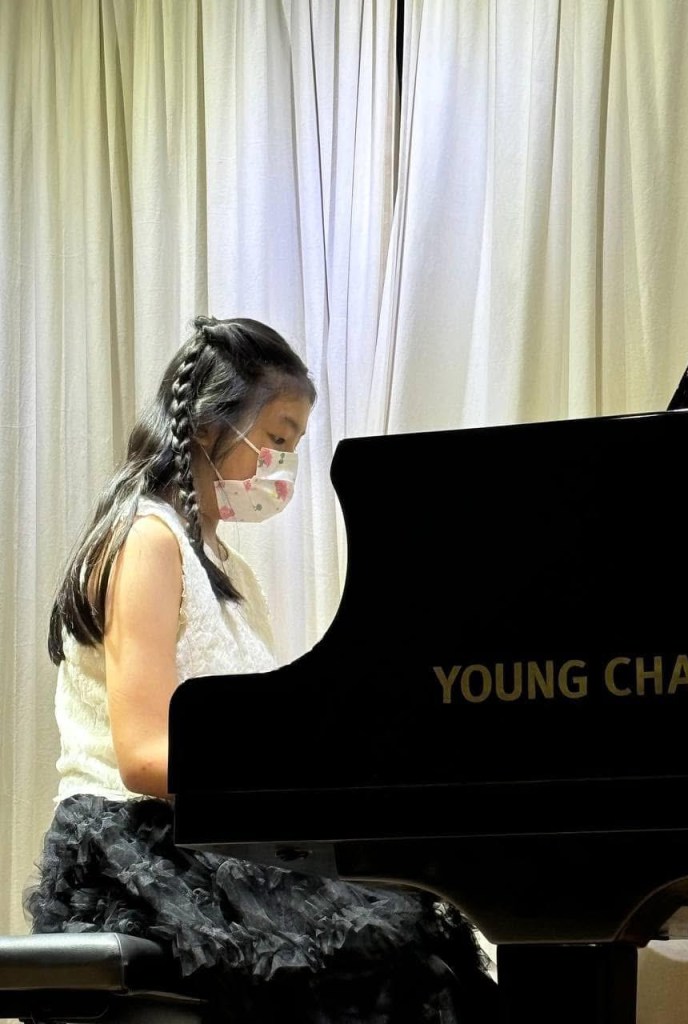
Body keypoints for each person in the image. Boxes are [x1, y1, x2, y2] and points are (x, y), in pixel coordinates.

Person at [24, 316, 499, 1024]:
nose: (284, 466)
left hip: (204, 835)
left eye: (294, 448)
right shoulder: (148, 540)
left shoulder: (232, 571)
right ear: (209, 428)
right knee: (386, 957)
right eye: (277, 439)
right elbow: (143, 755)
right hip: (135, 844)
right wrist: (282, 785)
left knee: (422, 938)